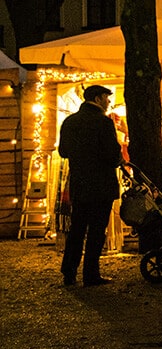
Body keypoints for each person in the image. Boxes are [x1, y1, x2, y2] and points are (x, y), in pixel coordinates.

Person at [58, 85, 123, 286]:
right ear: (97, 98)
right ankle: (90, 274)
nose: (108, 102)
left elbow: (63, 152)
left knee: (77, 229)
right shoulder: (103, 123)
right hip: (101, 185)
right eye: (106, 97)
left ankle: (69, 272)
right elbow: (113, 156)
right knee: (96, 231)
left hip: (79, 183)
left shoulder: (70, 122)